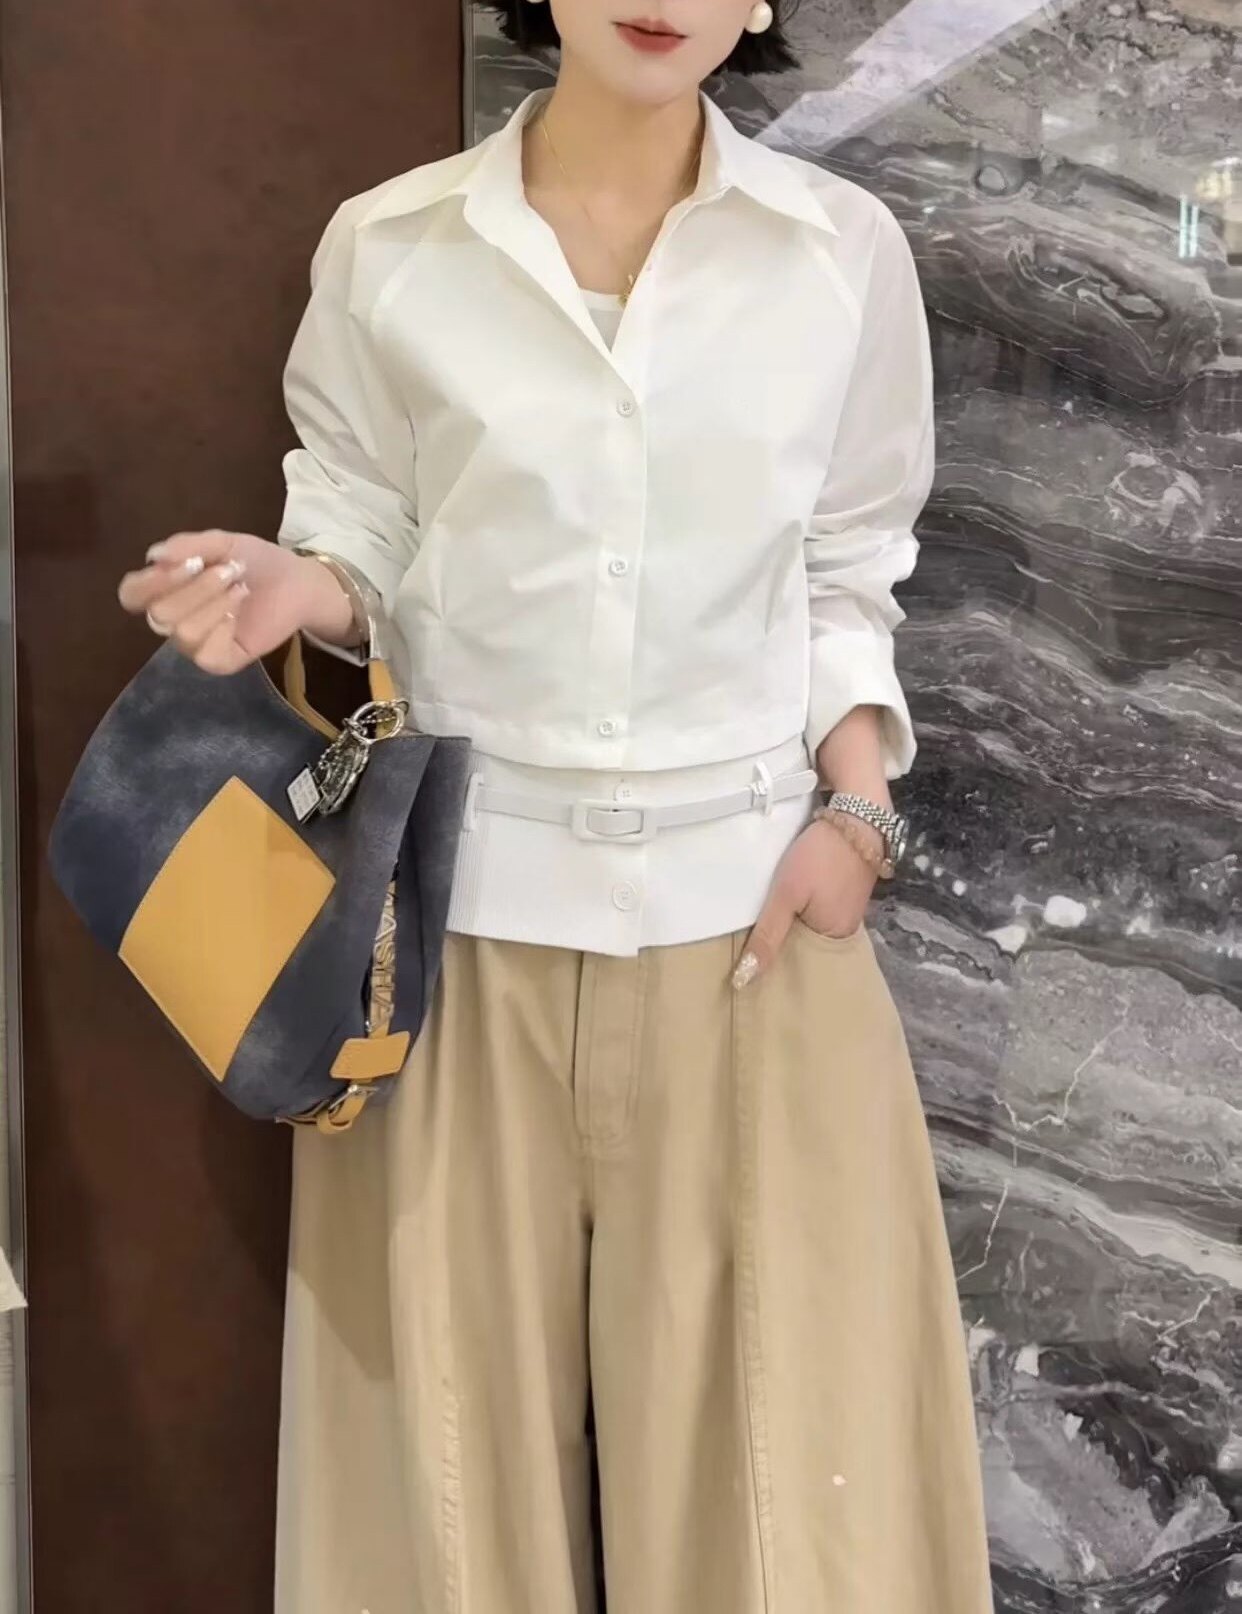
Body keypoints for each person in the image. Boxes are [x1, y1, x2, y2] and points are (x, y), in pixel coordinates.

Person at [117, 0, 994, 1607]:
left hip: (754, 935)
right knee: (435, 1509)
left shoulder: (836, 252)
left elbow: (850, 562)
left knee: (792, 1507)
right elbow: (363, 527)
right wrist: (293, 587)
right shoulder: (393, 244)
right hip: (450, 947)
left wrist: (854, 815)